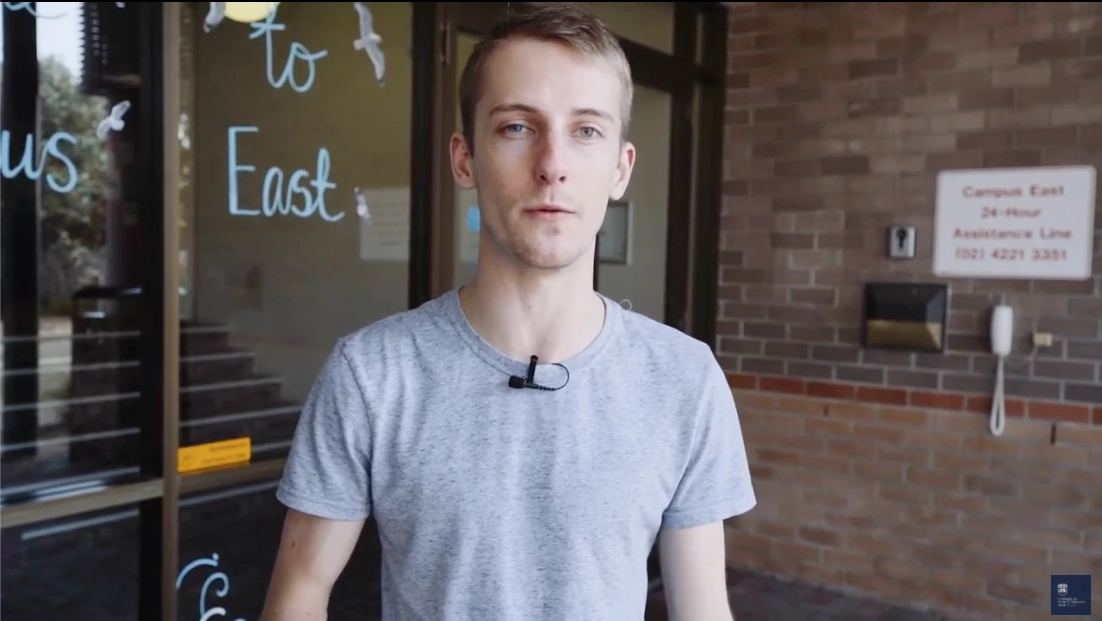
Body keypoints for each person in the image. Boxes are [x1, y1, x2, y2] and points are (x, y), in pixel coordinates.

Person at [259, 4, 755, 620]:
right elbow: (301, 593)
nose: (553, 164)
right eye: (518, 127)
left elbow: (703, 610)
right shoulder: (372, 374)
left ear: (620, 169)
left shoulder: (684, 379)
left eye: (587, 130)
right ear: (464, 158)